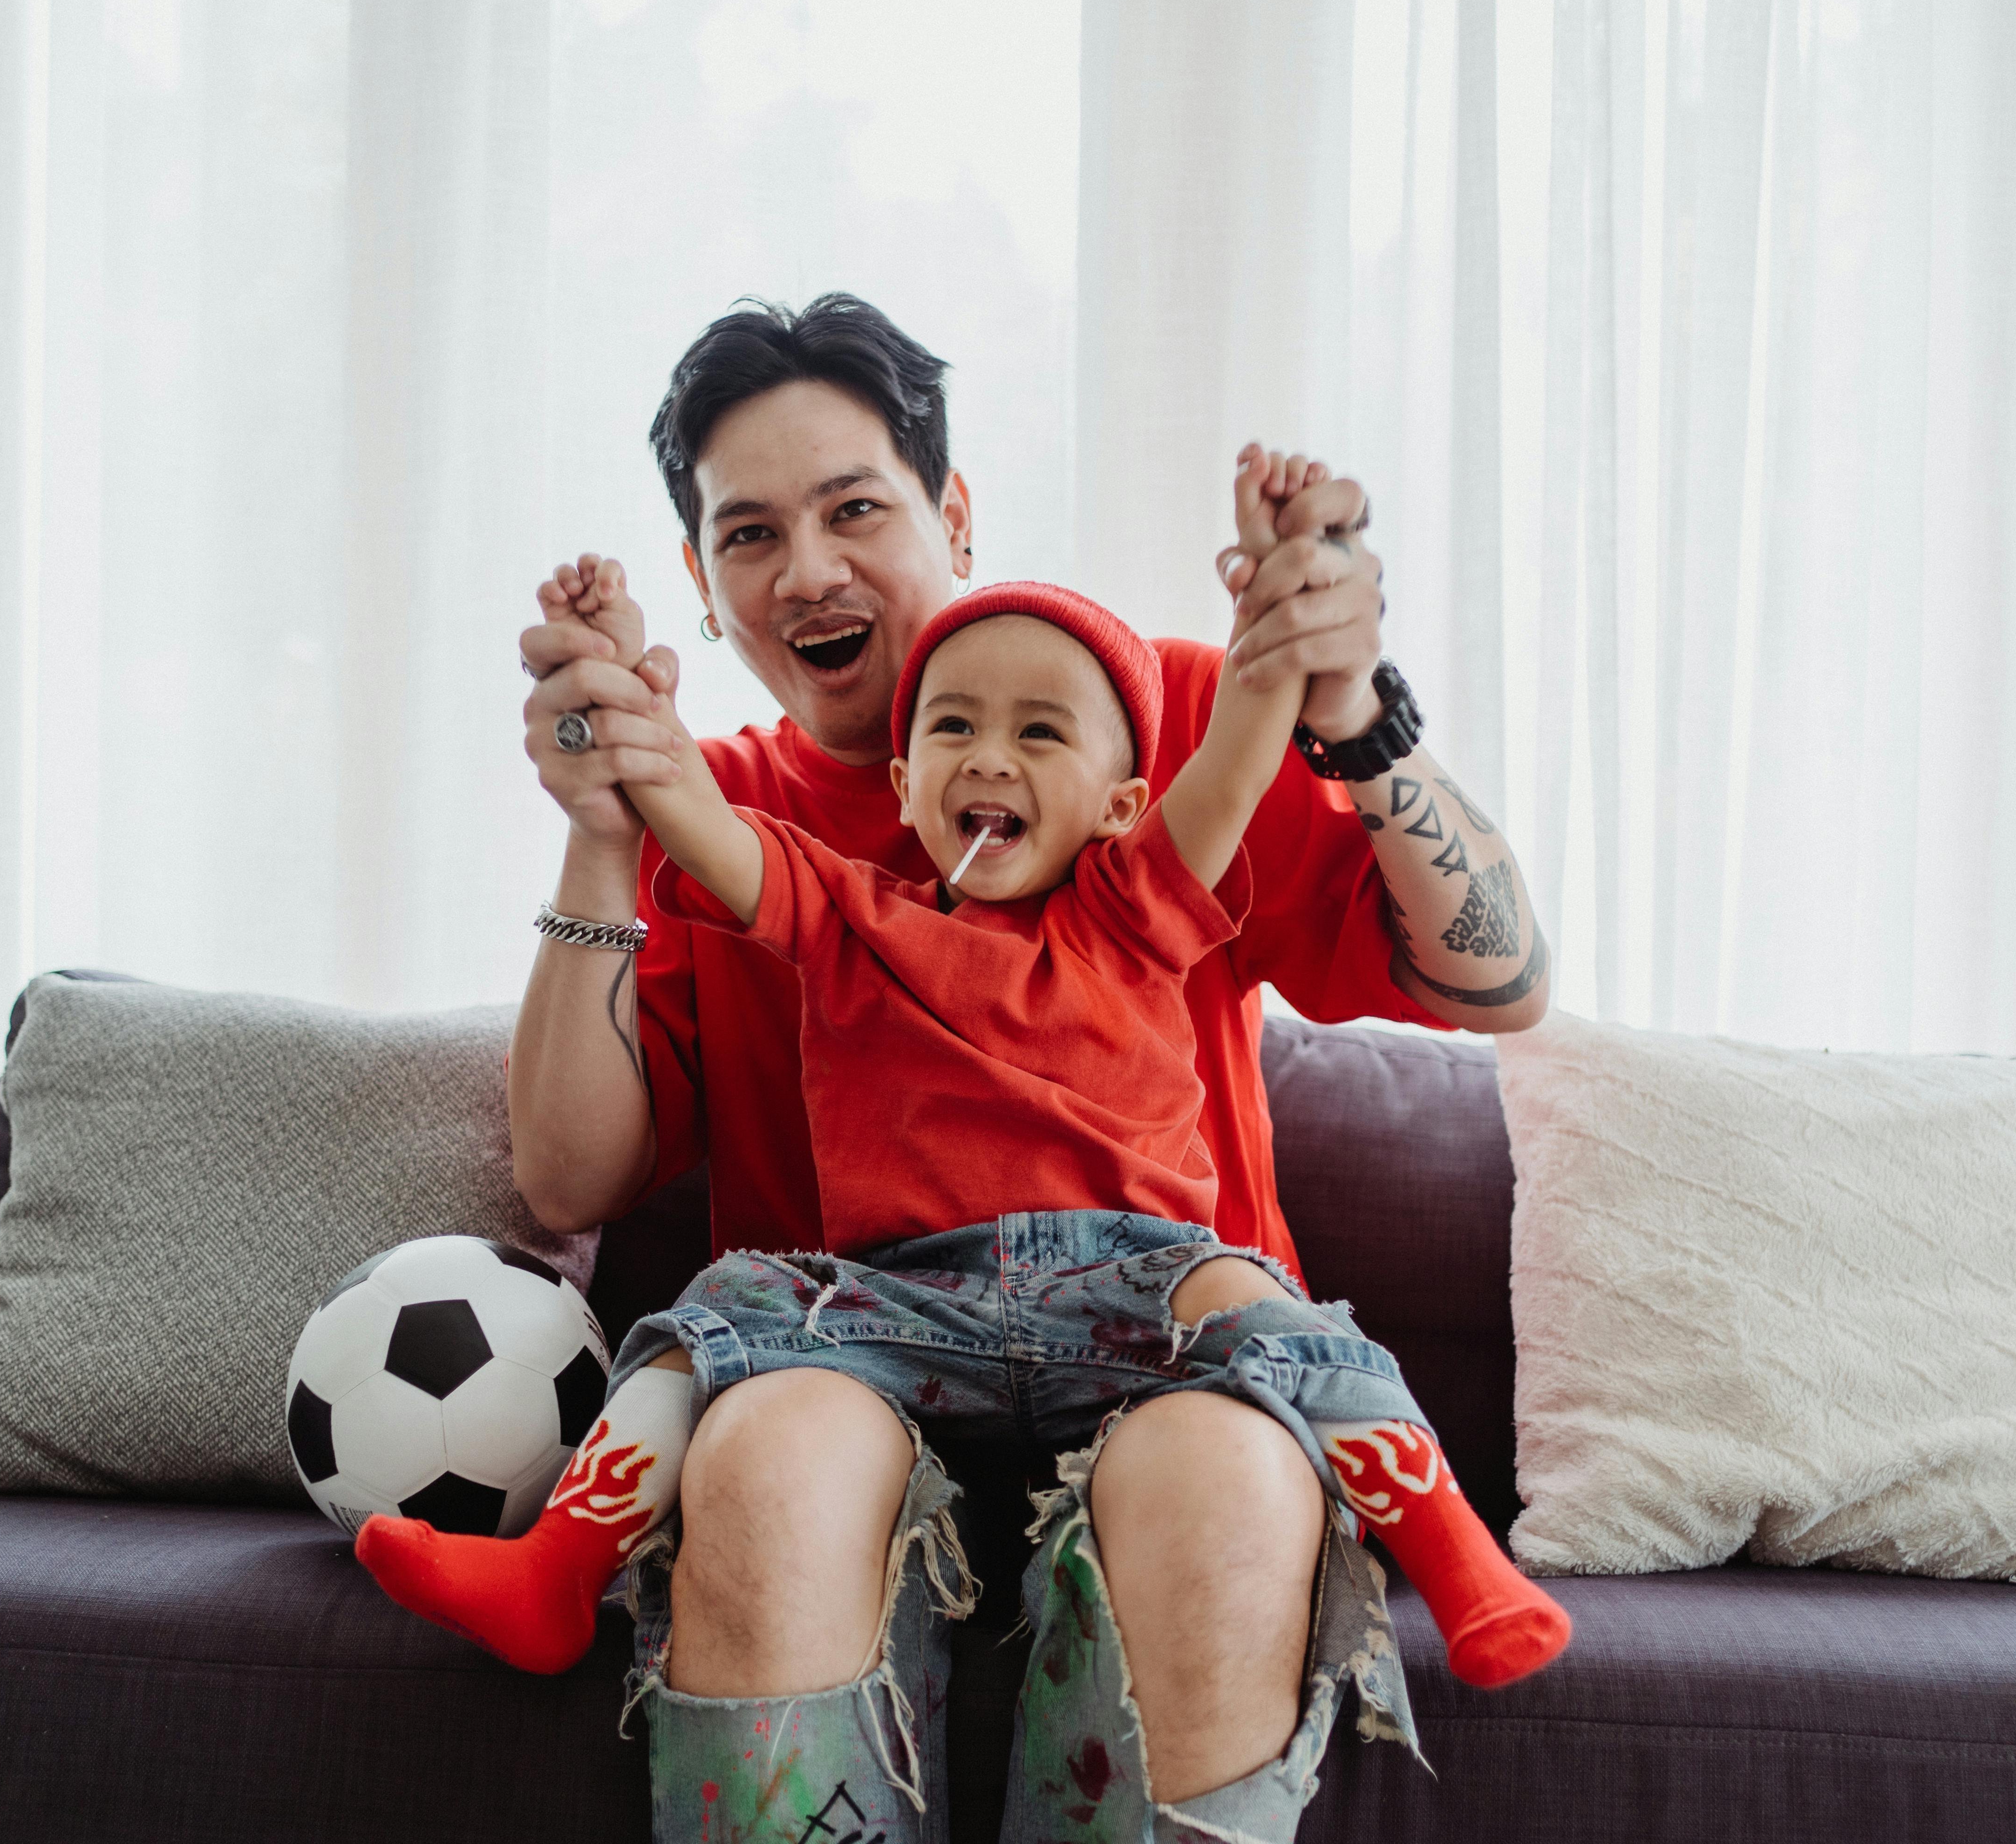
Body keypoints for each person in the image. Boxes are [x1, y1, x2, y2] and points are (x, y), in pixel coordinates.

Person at [467, 295, 1549, 1841]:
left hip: (1163, 1355)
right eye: (752, 536)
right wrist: (599, 835)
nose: (813, 569)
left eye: (856, 508)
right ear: (706, 590)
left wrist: (1350, 710)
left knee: (1227, 1490)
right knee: (770, 1454)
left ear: (952, 515)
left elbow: (1498, 977)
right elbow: (571, 1178)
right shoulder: (713, 811)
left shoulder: (1137, 726)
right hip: (855, 1368)